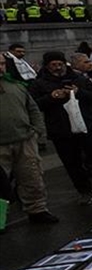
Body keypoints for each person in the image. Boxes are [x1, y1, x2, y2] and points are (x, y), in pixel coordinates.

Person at [29, 51, 92, 205]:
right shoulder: (39, 83)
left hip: (86, 126)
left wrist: (78, 93)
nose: (58, 68)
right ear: (47, 66)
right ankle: (85, 192)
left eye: (60, 64)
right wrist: (51, 97)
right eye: (54, 65)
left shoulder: (78, 79)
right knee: (72, 164)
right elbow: (34, 104)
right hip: (61, 130)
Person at [0, 52, 58, 226]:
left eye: (2, 64)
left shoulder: (16, 86)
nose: (0, 67)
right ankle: (1, 219)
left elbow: (32, 108)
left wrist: (37, 130)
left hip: (25, 139)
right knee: (1, 186)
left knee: (32, 177)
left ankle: (37, 210)